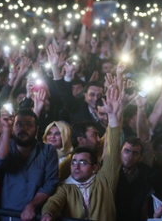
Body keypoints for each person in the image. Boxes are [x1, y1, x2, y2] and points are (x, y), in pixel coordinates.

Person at [40, 84, 122, 221]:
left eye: (83, 162)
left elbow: (112, 149)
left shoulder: (105, 180)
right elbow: (54, 202)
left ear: (95, 167)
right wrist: (48, 214)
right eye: (73, 162)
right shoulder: (66, 186)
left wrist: (112, 116)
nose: (76, 167)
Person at [0, 109, 59, 221]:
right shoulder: (5, 147)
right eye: (19, 124)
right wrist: (6, 128)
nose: (23, 128)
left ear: (37, 130)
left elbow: (50, 183)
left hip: (35, 216)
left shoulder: (47, 151)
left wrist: (32, 205)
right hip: (7, 215)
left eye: (29, 125)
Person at [115, 137, 153, 221]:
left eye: (135, 153)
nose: (130, 156)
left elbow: (144, 203)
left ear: (140, 157)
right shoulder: (113, 172)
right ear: (120, 152)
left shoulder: (145, 174)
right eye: (126, 151)